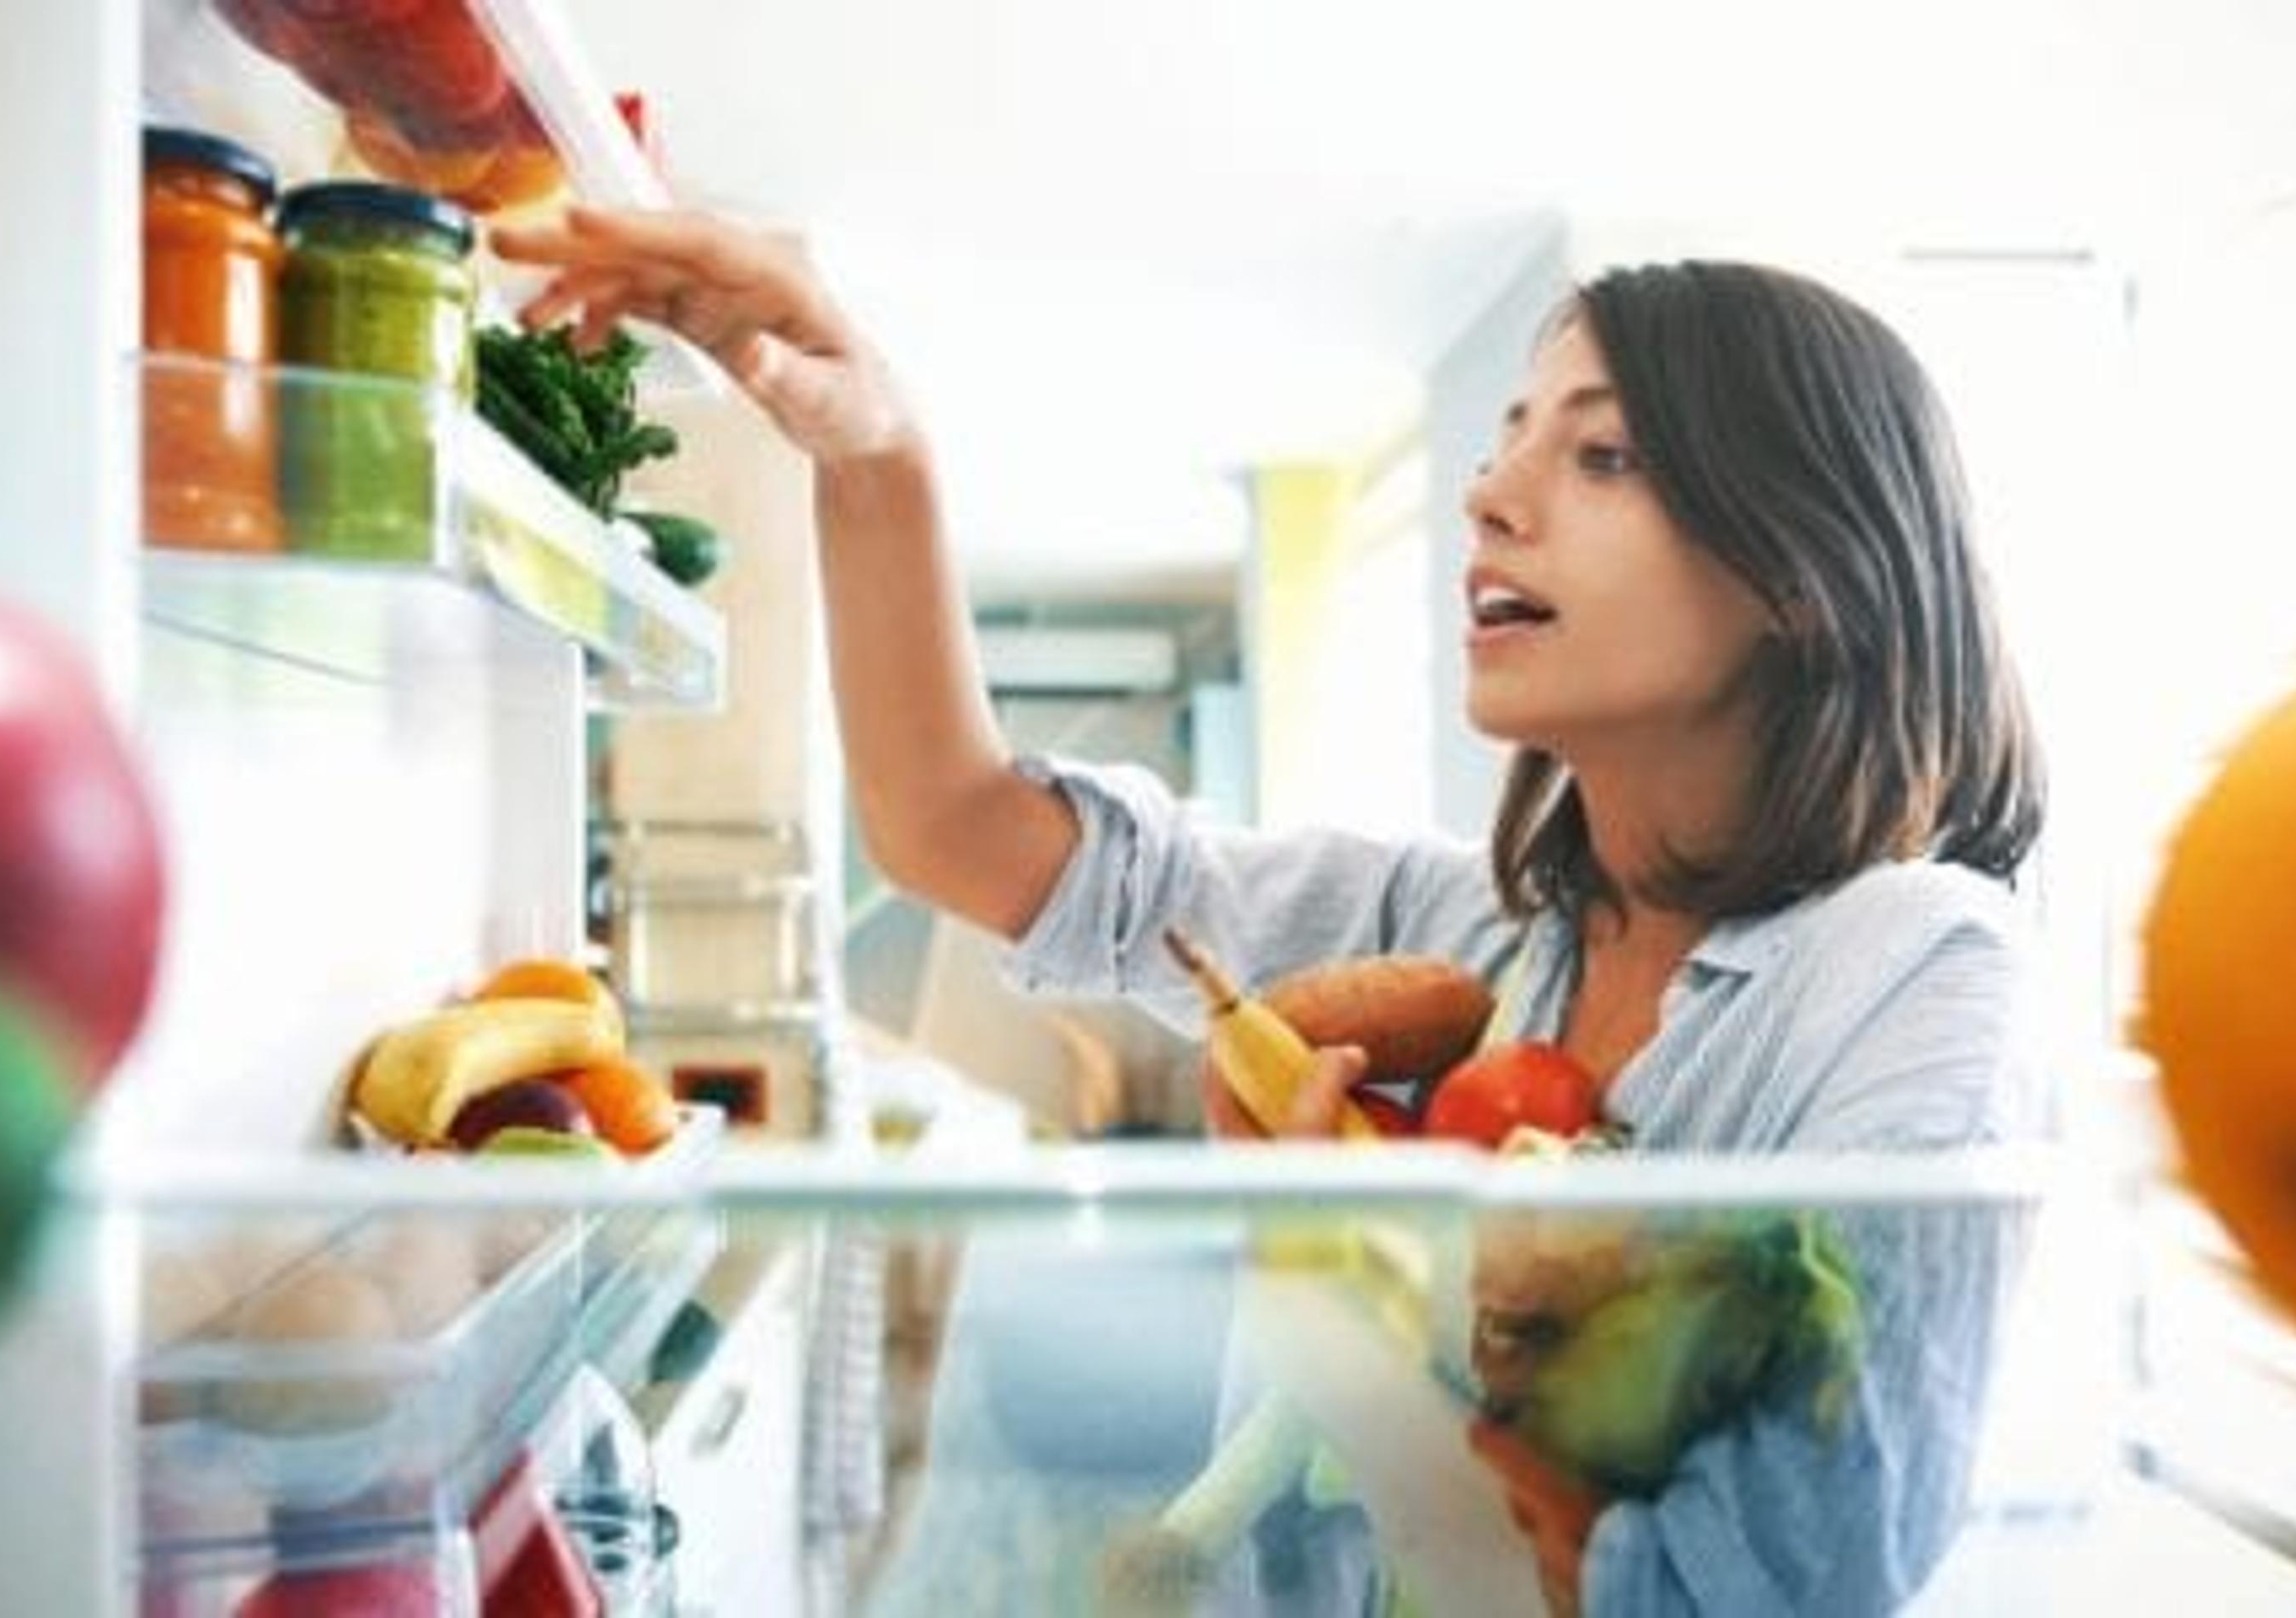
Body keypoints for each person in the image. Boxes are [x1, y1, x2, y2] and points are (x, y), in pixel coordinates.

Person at [496, 206, 2048, 1615]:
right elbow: (957, 830)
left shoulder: (1911, 972)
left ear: (1803, 565)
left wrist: (1327, 1287)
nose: (1492, 494)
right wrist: (871, 446)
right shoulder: (1468, 930)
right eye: (1506, 439)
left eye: (1603, 455)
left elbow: (1750, 1597)